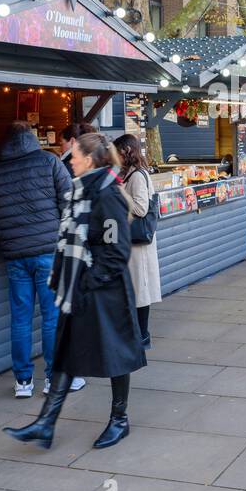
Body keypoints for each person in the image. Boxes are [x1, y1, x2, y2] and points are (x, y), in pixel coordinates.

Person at [4, 133, 146, 450]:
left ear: (91, 159)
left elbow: (117, 251)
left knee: (116, 356)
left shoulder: (107, 195)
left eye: (75, 155)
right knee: (67, 354)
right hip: (79, 287)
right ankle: (45, 423)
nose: (69, 160)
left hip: (105, 291)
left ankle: (120, 420)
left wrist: (87, 283)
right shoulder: (81, 192)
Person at [0, 121, 86, 398]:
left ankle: (23, 382)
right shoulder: (49, 161)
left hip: (14, 256)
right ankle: (55, 379)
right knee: (52, 318)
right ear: (31, 139)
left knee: (20, 318)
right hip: (48, 252)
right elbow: (69, 201)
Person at [114, 133, 160, 350]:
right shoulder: (131, 174)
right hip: (133, 245)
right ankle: (139, 335)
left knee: (141, 291)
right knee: (136, 290)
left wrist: (119, 196)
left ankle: (142, 336)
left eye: (117, 152)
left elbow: (141, 208)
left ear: (126, 151)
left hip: (138, 245)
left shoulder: (138, 176)